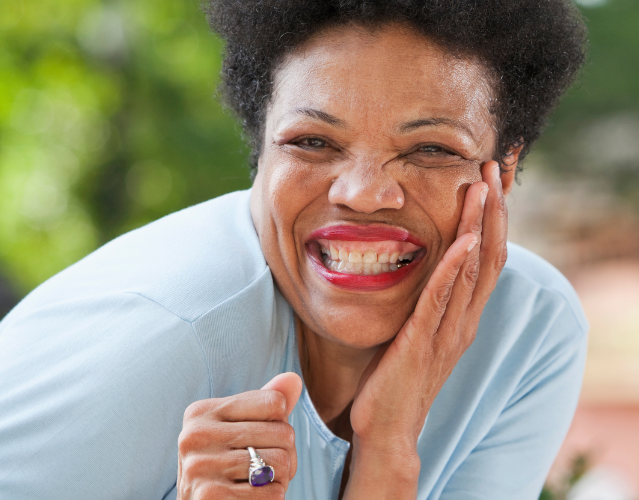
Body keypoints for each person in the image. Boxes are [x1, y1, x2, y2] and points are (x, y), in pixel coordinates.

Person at [0, 1, 588, 499]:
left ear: (502, 168)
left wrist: (387, 451)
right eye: (312, 142)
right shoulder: (159, 342)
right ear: (261, 153)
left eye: (430, 150)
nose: (362, 195)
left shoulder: (527, 333)